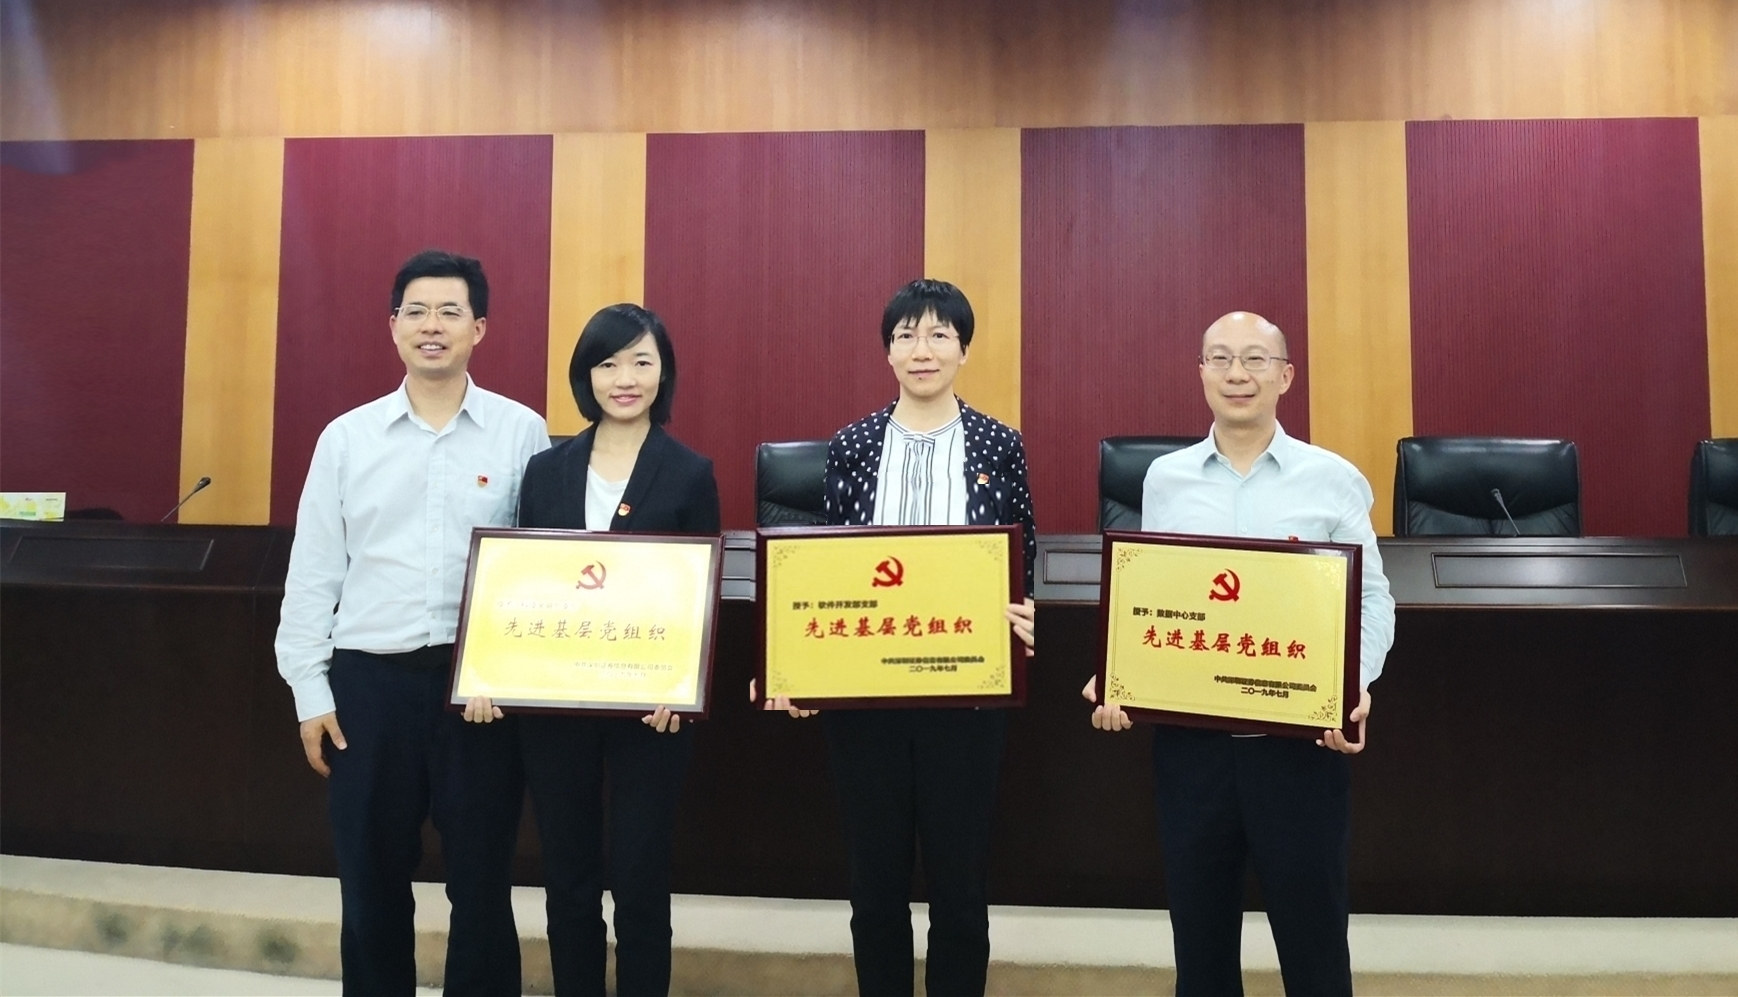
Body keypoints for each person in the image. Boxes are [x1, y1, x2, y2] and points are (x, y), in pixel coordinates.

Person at [1083, 310, 1395, 996]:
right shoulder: (1164, 479)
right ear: (1201, 373)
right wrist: (1120, 674)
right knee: (1201, 950)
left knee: (1314, 948)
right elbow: (1153, 596)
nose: (1237, 374)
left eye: (1255, 359)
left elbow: (1373, 600)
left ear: (1285, 376)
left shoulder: (1333, 478)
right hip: (1193, 753)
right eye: (1220, 358)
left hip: (1299, 749)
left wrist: (1355, 682)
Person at [276, 250, 550, 996]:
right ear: (393, 325)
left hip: (479, 690)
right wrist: (311, 692)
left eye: (450, 312)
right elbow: (314, 575)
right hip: (368, 687)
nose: (433, 326)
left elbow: (542, 571)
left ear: (479, 328)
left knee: (483, 884)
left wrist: (512, 676)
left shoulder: (521, 432)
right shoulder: (346, 438)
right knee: (370, 881)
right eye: (417, 311)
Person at [762, 279, 1037, 997]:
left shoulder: (999, 444)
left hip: (966, 699)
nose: (923, 350)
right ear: (887, 351)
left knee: (960, 885)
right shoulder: (853, 445)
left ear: (964, 349)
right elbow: (825, 566)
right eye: (907, 335)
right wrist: (797, 661)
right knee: (875, 884)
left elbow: (1022, 558)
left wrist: (1023, 614)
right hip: (867, 703)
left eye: (940, 334)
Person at [493, 303, 720, 997]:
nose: (625, 378)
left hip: (652, 711)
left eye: (642, 362)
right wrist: (495, 671)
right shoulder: (545, 470)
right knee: (568, 876)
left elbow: (701, 594)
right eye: (608, 363)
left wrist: (680, 687)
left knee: (641, 876)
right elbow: (521, 584)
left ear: (664, 373)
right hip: (555, 707)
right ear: (585, 376)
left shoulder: (689, 472)